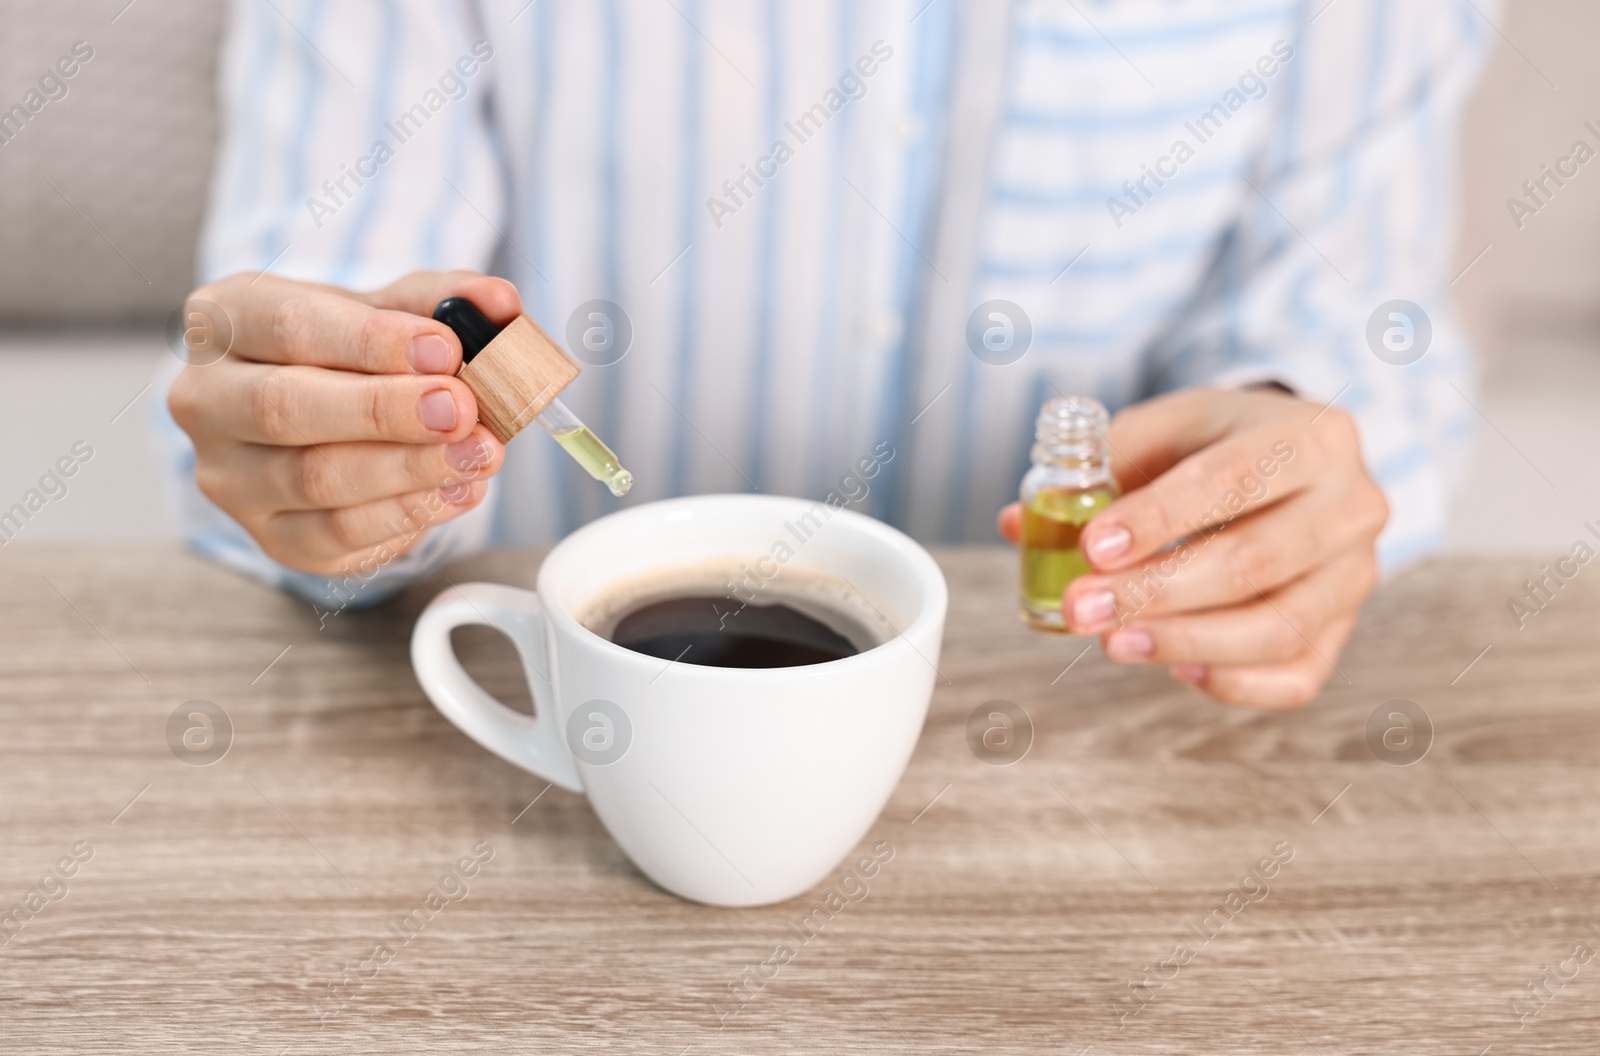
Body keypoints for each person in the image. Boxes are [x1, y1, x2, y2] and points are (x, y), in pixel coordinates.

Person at [158, 0, 1498, 708]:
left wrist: (1280, 452)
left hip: (1079, 705)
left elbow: (1360, 312)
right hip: (564, 704)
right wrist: (325, 444)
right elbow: (297, 317)